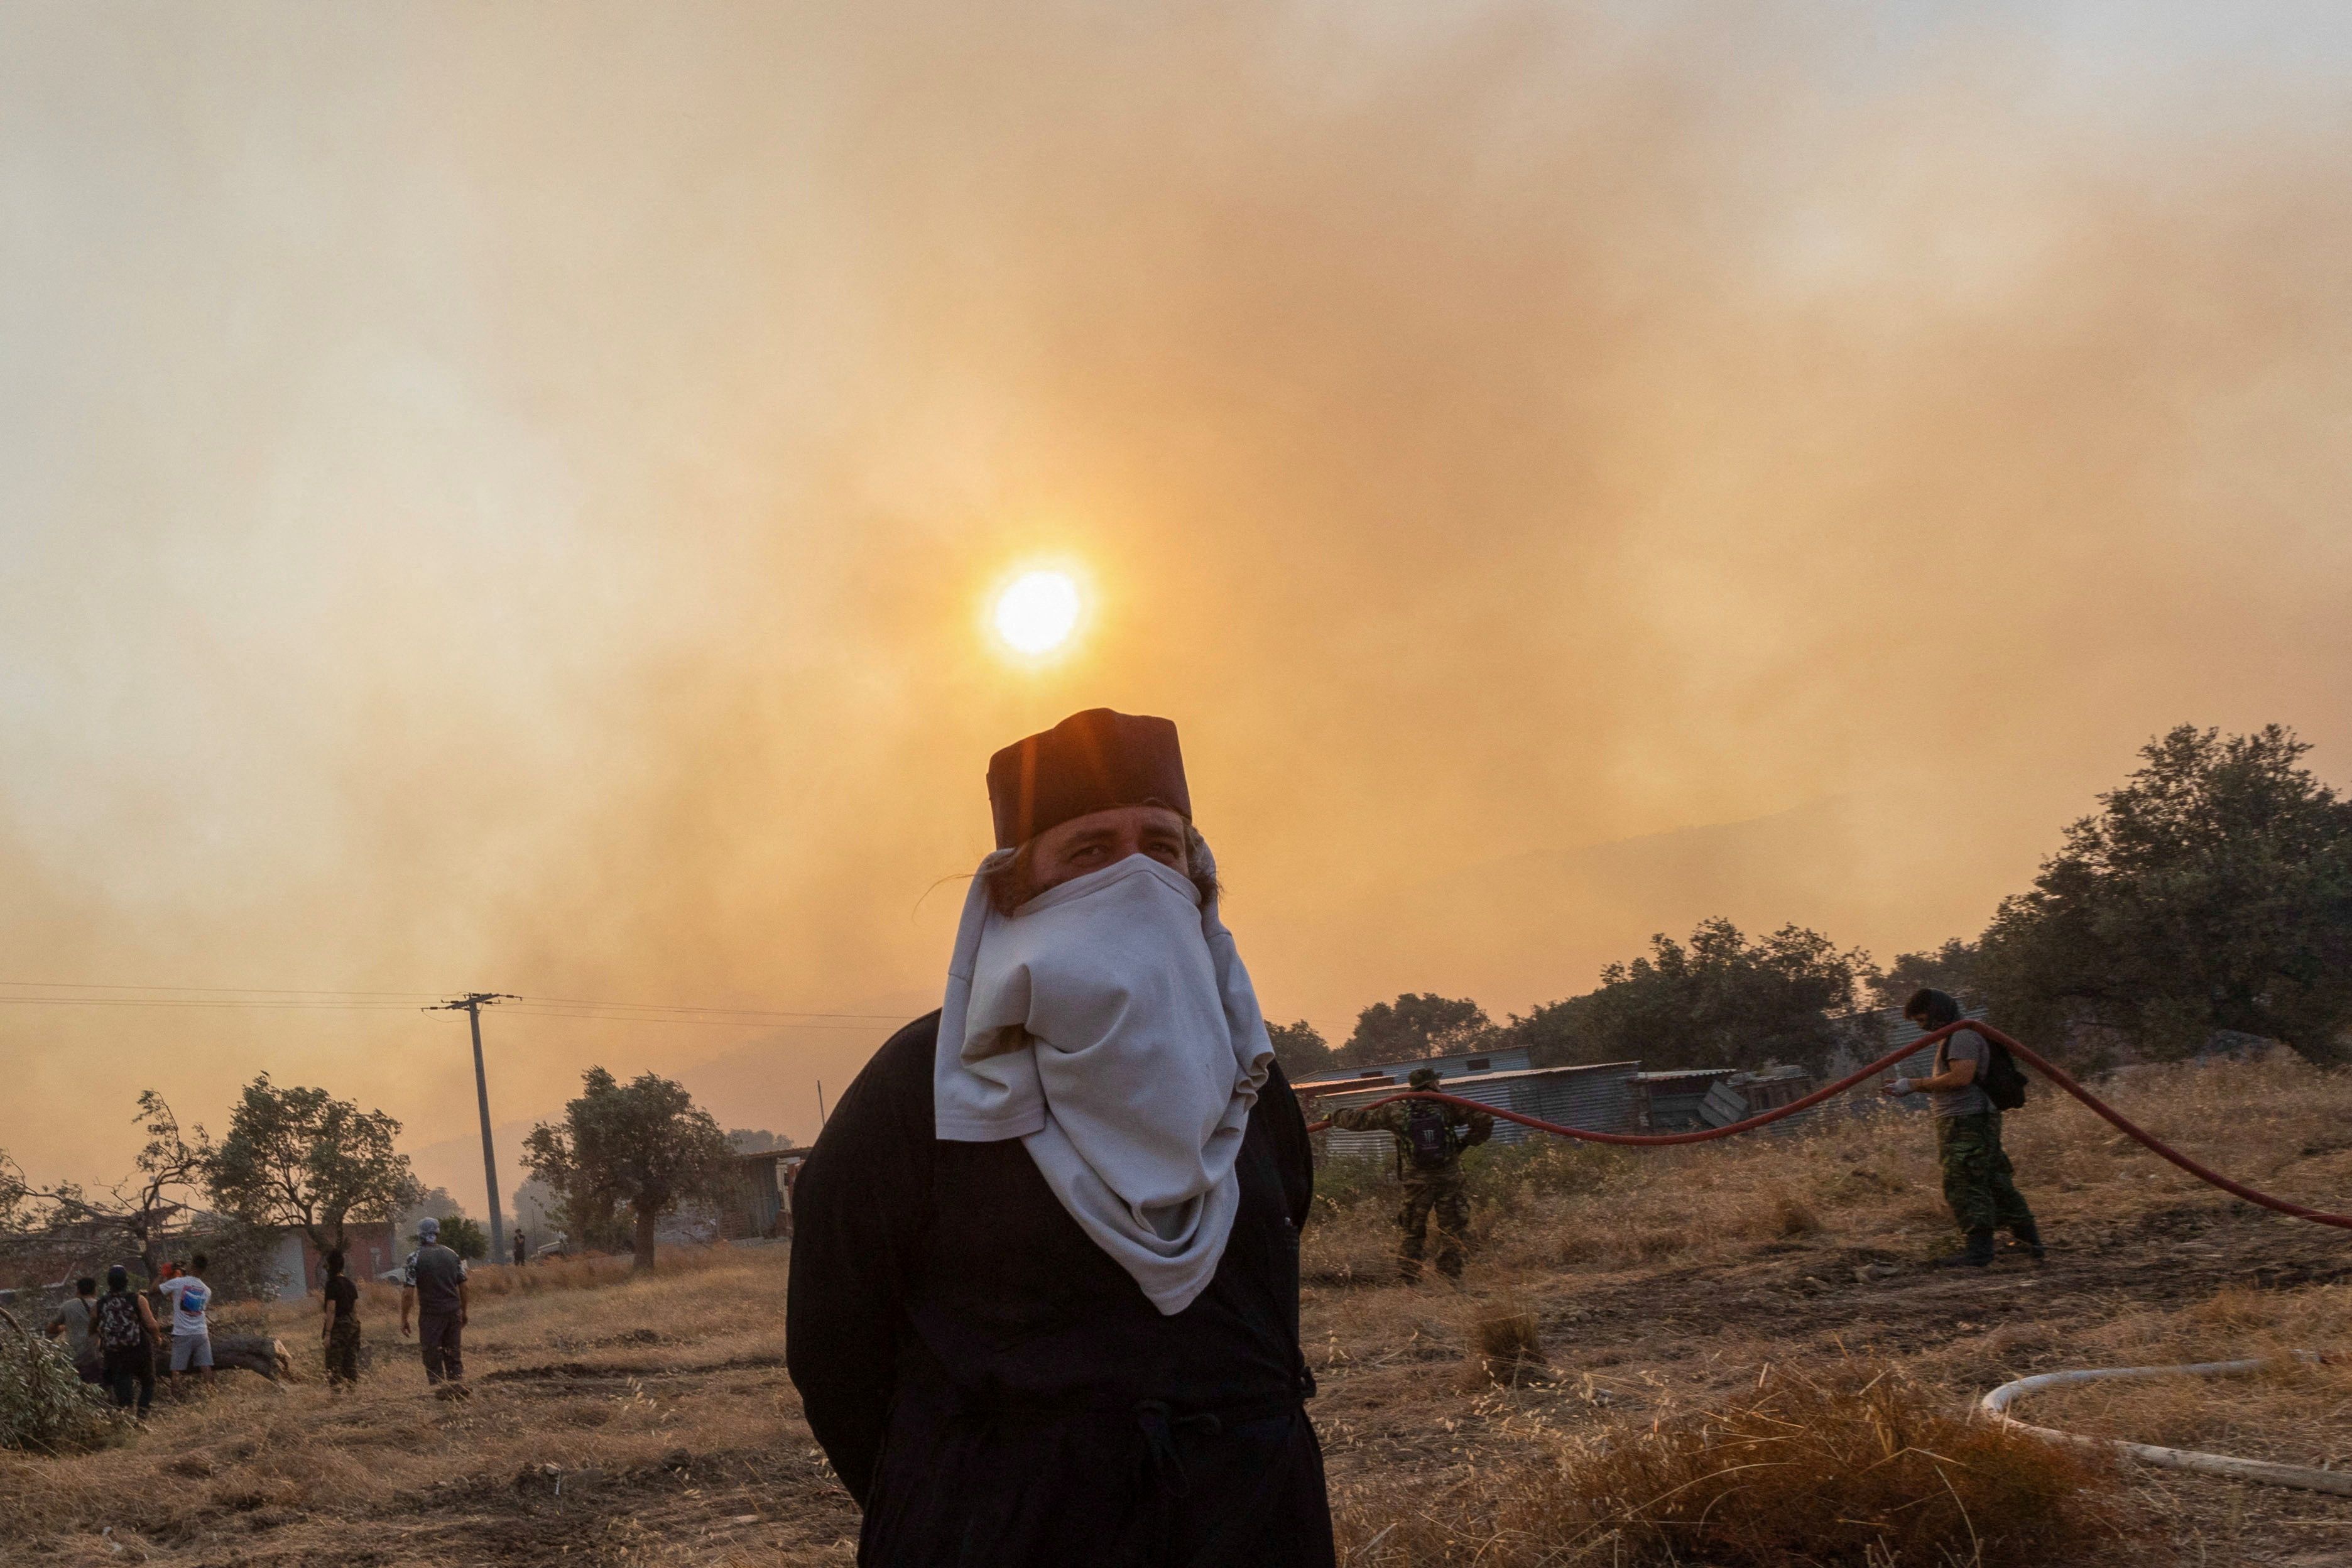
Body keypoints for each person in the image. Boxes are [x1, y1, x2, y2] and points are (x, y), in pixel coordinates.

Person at [788, 708, 1332, 1567]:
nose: (1136, 878)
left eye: (1161, 846)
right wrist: (960, 1495)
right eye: (1088, 851)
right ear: (1017, 892)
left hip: (1255, 1520)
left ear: (1198, 876)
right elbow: (837, 1357)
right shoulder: (918, 1088)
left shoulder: (1250, 1086)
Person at [1882, 988, 2044, 1267]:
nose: (1922, 1028)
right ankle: (2030, 1245)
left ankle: (1979, 1253)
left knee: (1965, 1183)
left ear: (1936, 1013)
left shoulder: (1962, 1036)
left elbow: (1961, 1077)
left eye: (1923, 1020)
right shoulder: (1956, 1036)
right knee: (1994, 1182)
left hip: (1968, 1120)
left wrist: (1913, 1085)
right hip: (1967, 1119)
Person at [1329, 1067, 1494, 1283]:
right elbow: (1484, 1118)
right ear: (1432, 1084)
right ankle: (1449, 1276)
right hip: (1449, 1179)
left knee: (1413, 1231)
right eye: (1437, 1082)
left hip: (1416, 1182)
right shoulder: (1448, 1105)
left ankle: (1409, 1276)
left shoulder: (1396, 1109)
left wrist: (1334, 1116)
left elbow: (1358, 1121)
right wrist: (1465, 1144)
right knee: (1453, 1230)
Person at [399, 1216, 470, 1384]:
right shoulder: (453, 1255)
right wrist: (464, 1312)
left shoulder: (414, 1258)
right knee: (453, 1355)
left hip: (431, 1315)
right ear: (437, 1234)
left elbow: (408, 1293)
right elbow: (465, 1287)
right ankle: (457, 1391)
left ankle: (438, 1392)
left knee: (432, 1358)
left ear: (421, 1236)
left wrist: (404, 1319)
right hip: (453, 1313)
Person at [94, 1265, 160, 1418]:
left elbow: (97, 1329)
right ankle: (142, 1413)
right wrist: (157, 1338)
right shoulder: (137, 1299)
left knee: (122, 1387)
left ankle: (127, 1416)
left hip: (115, 1353)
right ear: (127, 1281)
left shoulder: (101, 1304)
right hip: (139, 1349)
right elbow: (151, 1324)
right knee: (148, 1382)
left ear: (109, 1282)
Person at [156, 1254, 215, 1388]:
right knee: (206, 1367)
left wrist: (162, 1274)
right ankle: (212, 1395)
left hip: (182, 1333)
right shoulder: (207, 1291)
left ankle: (176, 1401)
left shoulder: (178, 1283)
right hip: (201, 1333)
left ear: (192, 1266)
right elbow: (190, 1308)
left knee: (176, 1370)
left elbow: (154, 1290)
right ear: (204, 1270)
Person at [46, 1276, 102, 1383]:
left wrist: (65, 1327)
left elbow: (50, 1329)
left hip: (74, 1359)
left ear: (78, 1290)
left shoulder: (67, 1306)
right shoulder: (101, 1305)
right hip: (95, 1358)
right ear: (95, 1290)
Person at [322, 1250, 363, 1390]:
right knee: (350, 1362)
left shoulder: (332, 1284)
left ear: (331, 1266)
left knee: (334, 1365)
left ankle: (336, 1395)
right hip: (353, 1325)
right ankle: (353, 1392)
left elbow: (331, 1310)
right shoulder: (350, 1284)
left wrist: (328, 1334)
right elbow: (355, 1309)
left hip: (338, 1327)